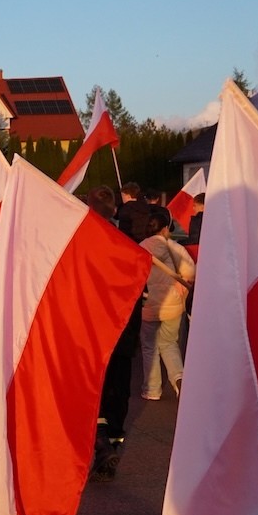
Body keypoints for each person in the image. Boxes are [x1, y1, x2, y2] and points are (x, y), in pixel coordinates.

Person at [86, 186, 141, 480]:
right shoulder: (128, 245)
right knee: (119, 388)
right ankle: (113, 440)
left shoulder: (85, 244)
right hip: (124, 330)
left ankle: (102, 442)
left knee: (93, 389)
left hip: (96, 332)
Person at [139, 211, 195, 401]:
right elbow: (190, 271)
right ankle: (179, 378)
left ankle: (152, 389)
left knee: (149, 347)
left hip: (149, 304)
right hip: (173, 303)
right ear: (164, 229)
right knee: (169, 343)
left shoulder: (140, 249)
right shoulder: (174, 248)